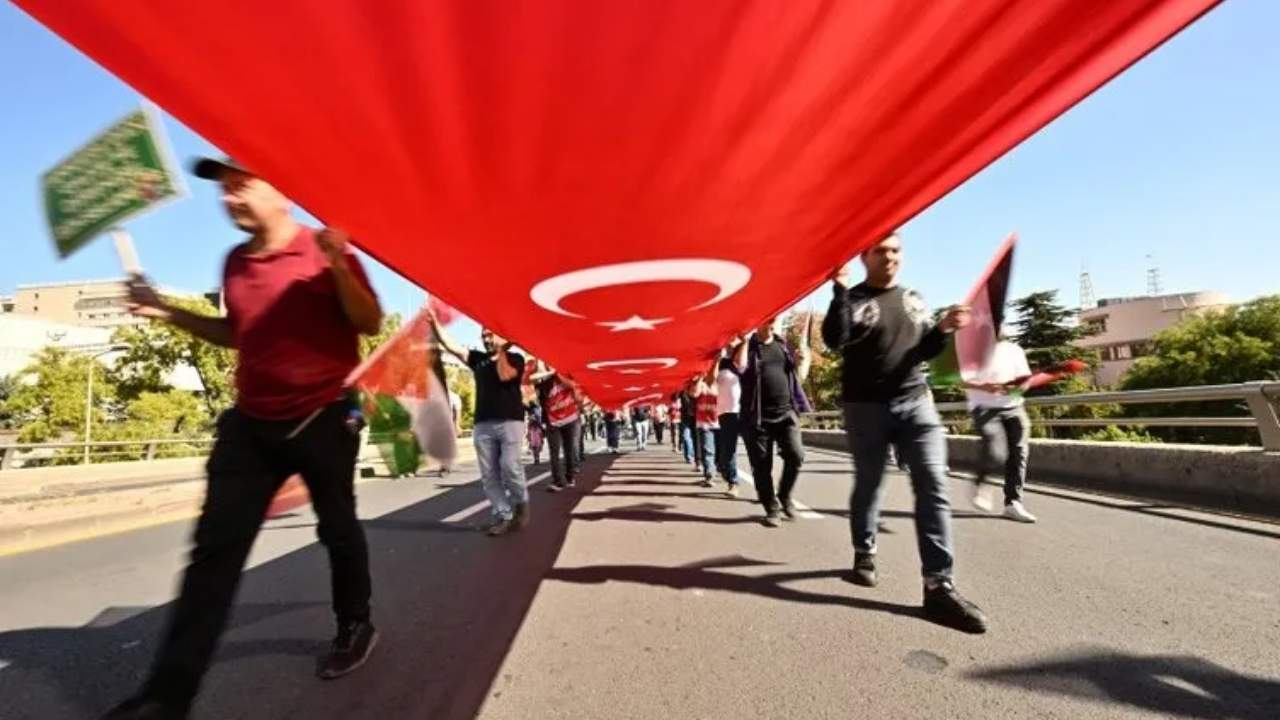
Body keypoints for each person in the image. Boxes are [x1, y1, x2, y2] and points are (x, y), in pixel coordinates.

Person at [105, 157, 384, 720]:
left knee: (338, 528)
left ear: (282, 190)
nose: (229, 197)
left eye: (241, 183)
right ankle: (168, 693)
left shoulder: (322, 247)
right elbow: (237, 333)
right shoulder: (233, 262)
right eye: (223, 188)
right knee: (213, 555)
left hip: (324, 418)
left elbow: (368, 321)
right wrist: (168, 313)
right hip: (251, 426)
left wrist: (337, 266)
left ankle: (355, 623)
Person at [822, 232, 987, 634]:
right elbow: (833, 339)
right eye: (881, 250)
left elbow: (924, 348)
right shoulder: (854, 298)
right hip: (866, 408)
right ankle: (865, 550)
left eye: (896, 250)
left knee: (933, 484)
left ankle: (938, 585)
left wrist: (944, 329)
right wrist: (839, 290)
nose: (891, 257)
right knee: (870, 486)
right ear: (864, 256)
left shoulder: (914, 298)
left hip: (917, 402)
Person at [432, 317, 529, 537]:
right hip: (483, 425)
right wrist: (433, 322)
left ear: (501, 336)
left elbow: (505, 375)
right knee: (489, 475)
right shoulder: (477, 359)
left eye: (490, 334)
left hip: (510, 422)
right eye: (483, 335)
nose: (486, 338)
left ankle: (521, 502)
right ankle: (503, 514)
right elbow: (452, 346)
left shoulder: (516, 358)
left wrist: (502, 351)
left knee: (510, 466)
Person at [732, 318, 812, 526]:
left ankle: (785, 495)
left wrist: (797, 360)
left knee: (796, 455)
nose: (773, 324)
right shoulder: (747, 346)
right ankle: (771, 508)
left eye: (775, 321)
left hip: (786, 413)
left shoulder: (782, 344)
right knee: (761, 466)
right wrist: (744, 342)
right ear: (758, 323)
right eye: (769, 321)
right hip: (757, 418)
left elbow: (793, 373)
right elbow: (740, 367)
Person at [963, 337, 1037, 522]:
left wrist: (1018, 387)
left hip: (1014, 406)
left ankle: (1013, 503)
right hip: (984, 407)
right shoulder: (971, 349)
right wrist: (984, 386)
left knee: (1019, 452)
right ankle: (981, 483)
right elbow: (960, 380)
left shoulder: (1014, 350)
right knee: (995, 449)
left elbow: (1025, 382)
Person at [534, 363, 584, 492]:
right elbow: (537, 394)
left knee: (570, 449)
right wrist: (546, 375)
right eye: (546, 364)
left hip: (570, 418)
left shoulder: (566, 374)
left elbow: (572, 385)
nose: (548, 365)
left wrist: (557, 373)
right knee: (554, 452)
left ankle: (570, 477)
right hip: (553, 421)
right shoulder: (543, 380)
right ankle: (557, 481)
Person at [712, 349, 743, 497]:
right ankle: (733, 482)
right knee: (727, 450)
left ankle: (765, 488)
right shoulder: (721, 363)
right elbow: (710, 380)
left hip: (746, 412)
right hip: (726, 413)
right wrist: (715, 361)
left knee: (757, 451)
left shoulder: (746, 364)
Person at [691, 376, 719, 487]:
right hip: (704, 424)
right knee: (708, 451)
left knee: (721, 451)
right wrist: (700, 379)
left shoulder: (722, 380)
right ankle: (709, 477)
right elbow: (694, 394)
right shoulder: (699, 383)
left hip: (721, 421)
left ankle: (722, 472)